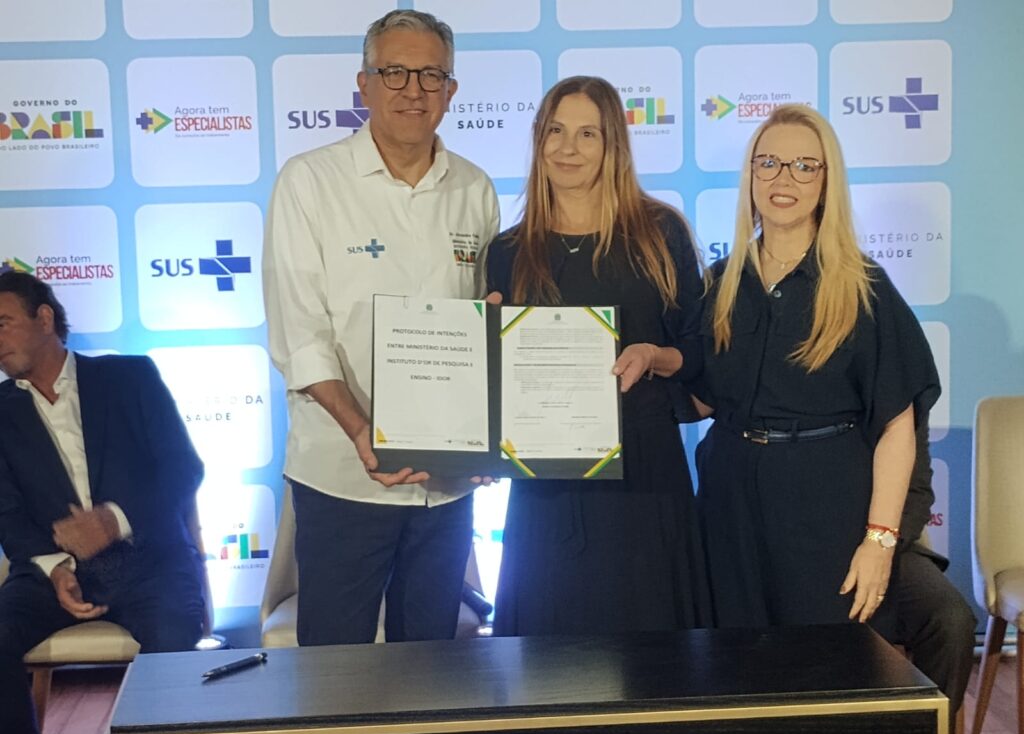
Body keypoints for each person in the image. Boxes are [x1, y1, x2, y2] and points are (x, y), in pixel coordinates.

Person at [262, 10, 499, 646]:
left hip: (446, 487)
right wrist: (364, 432)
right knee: (334, 669)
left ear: (451, 90)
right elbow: (300, 335)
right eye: (394, 72)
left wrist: (494, 437)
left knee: (431, 667)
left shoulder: (474, 188)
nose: (413, 90)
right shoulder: (310, 182)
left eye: (431, 75)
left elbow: (484, 329)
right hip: (343, 476)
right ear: (364, 84)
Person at [693, 103, 940, 640]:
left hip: (827, 506)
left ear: (827, 183)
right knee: (736, 664)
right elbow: (700, 397)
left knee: (830, 663)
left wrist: (879, 540)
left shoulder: (864, 288)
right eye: (769, 163)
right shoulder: (718, 284)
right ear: (751, 175)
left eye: (805, 166)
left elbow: (898, 426)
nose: (784, 179)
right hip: (729, 505)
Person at [486, 76, 711, 636]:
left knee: (653, 658)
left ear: (614, 144)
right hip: (545, 489)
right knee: (547, 663)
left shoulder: (660, 234)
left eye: (588, 134)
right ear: (538, 139)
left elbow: (701, 351)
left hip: (645, 480)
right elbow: (494, 383)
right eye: (556, 131)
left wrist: (655, 356)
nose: (568, 148)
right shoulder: (507, 252)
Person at [0, 272, 205, 734]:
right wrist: (55, 568)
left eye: (2, 323)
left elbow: (183, 468)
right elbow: (6, 514)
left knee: (174, 636)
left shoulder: (130, 378)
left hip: (148, 561)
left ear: (44, 318)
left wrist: (113, 522)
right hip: (50, 572)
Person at [896, 417, 976, 716]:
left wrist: (881, 547)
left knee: (951, 620)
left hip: (889, 548)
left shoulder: (901, 401)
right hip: (792, 551)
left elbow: (916, 494)